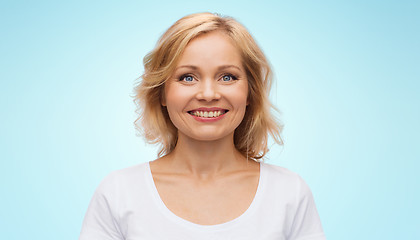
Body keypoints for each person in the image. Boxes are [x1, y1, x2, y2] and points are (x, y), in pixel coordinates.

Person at [79, 12, 326, 240]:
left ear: (250, 93)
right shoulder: (118, 193)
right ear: (162, 94)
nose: (208, 94)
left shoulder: (289, 193)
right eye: (188, 77)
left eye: (227, 77)